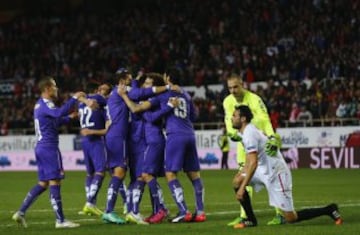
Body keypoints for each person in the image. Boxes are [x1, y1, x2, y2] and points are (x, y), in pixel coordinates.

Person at [231, 105, 343, 229]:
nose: (231, 118)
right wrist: (242, 178)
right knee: (237, 180)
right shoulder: (246, 132)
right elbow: (251, 160)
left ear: (243, 119)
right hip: (263, 171)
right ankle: (251, 220)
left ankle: (329, 209)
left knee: (291, 217)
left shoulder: (249, 133)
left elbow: (253, 163)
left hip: (276, 174)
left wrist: (242, 188)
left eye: (234, 115)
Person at [11, 76, 95, 229]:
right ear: (48, 89)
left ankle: (21, 212)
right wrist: (75, 98)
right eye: (54, 87)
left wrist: (70, 117)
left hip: (41, 148)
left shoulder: (39, 105)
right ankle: (60, 220)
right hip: (49, 148)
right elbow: (58, 114)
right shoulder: (46, 104)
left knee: (43, 183)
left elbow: (55, 121)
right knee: (55, 182)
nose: (57, 89)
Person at [222, 74, 283, 226]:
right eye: (230, 87)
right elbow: (228, 120)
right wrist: (232, 133)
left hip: (261, 144)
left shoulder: (255, 99)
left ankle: (280, 213)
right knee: (243, 178)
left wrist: (272, 137)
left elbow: (265, 119)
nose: (233, 90)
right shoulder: (227, 101)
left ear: (242, 84)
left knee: (272, 178)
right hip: (244, 144)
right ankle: (245, 216)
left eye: (236, 86)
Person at [148, 71, 205, 223]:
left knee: (170, 174)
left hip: (175, 135)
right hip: (190, 134)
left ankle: (183, 211)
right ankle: (200, 212)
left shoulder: (164, 94)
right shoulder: (186, 95)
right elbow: (194, 116)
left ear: (168, 78)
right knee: (194, 174)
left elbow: (151, 113)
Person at [77, 82, 108, 217]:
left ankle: (90, 204)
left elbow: (79, 97)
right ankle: (90, 203)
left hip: (84, 141)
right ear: (97, 91)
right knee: (100, 172)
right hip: (95, 139)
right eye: (102, 90)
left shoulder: (80, 104)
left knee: (90, 174)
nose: (103, 93)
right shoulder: (98, 98)